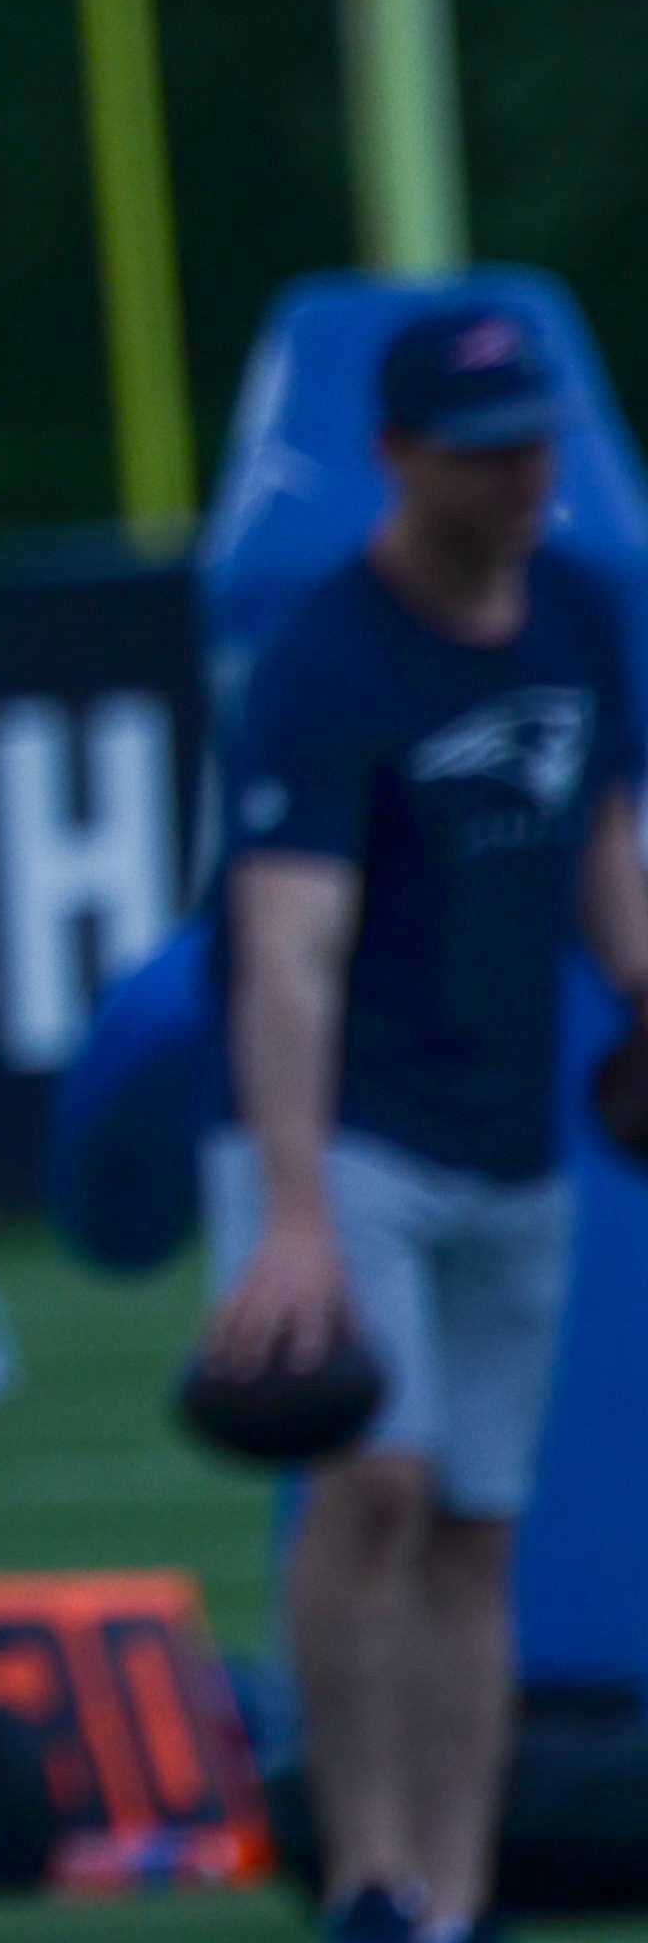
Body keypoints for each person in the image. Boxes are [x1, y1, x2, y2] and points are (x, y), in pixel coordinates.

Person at [204, 305, 648, 1943]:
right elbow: (286, 947)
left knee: (475, 1526)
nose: (527, 472)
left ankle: (454, 1902)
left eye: (536, 439)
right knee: (372, 1488)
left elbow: (596, 823)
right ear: (400, 460)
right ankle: (369, 1869)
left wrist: (642, 980)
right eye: (488, 450)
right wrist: (297, 1211)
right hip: (364, 1141)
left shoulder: (585, 616)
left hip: (515, 1142)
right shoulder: (331, 659)